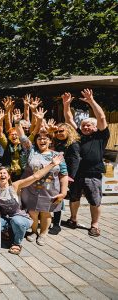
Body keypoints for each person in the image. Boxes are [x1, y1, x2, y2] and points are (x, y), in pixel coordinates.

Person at [0, 154, 64, 255]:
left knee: (17, 222)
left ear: (8, 176)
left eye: (4, 173)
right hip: (5, 217)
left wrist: (52, 164)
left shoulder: (15, 186)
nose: (2, 175)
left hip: (19, 216)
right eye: (0, 173)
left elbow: (35, 176)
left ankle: (17, 243)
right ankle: (8, 231)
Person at [17, 110, 68, 246]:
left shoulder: (57, 155)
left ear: (50, 141)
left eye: (45, 138)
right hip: (31, 189)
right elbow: (22, 137)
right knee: (33, 212)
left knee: (46, 213)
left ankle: (43, 234)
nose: (42, 140)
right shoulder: (31, 151)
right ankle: (33, 231)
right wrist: (18, 122)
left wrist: (64, 192)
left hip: (50, 190)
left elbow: (63, 174)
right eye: (39, 138)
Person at [62, 89, 109, 237]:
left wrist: (91, 101)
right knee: (74, 198)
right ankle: (73, 219)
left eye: (89, 125)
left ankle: (94, 225)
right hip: (77, 174)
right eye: (84, 125)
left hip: (93, 174)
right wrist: (66, 105)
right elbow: (69, 119)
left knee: (94, 201)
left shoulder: (101, 136)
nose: (86, 127)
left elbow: (101, 117)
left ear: (95, 127)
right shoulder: (79, 136)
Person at [49, 122, 81, 235]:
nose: (58, 133)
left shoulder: (73, 144)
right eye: (56, 131)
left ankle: (57, 224)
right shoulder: (58, 143)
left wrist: (68, 181)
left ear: (68, 131)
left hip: (65, 176)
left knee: (58, 199)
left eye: (61, 131)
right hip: (54, 175)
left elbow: (74, 163)